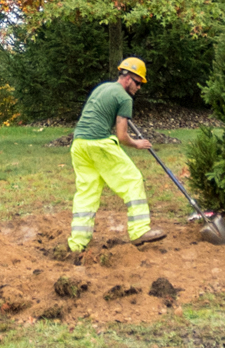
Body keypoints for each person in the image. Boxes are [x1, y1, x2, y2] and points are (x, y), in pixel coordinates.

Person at [66, 56, 165, 257]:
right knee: (132, 180)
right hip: (99, 143)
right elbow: (121, 136)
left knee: (87, 192)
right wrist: (137, 143)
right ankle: (139, 231)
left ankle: (77, 244)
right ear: (127, 78)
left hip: (79, 144)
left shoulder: (103, 88)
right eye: (138, 83)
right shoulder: (124, 98)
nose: (139, 88)